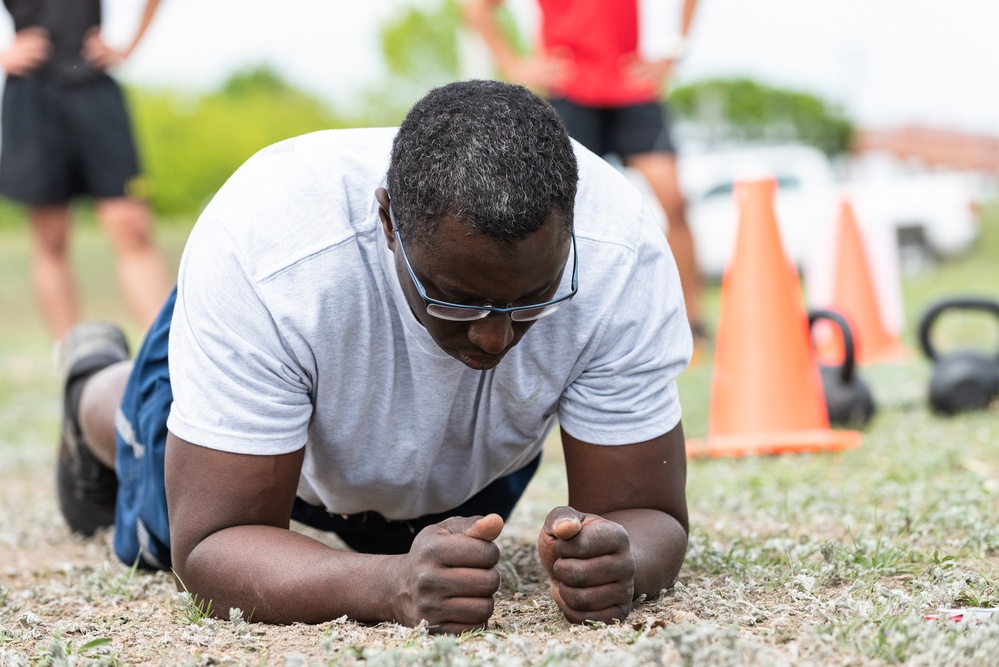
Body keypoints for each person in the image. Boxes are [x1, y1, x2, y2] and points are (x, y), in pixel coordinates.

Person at [56, 80, 691, 633]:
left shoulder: (621, 253)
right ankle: (90, 381)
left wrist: (623, 558)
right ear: (387, 222)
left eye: (533, 299)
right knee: (151, 506)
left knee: (427, 551)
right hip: (282, 425)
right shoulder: (270, 255)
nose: (495, 340)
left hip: (456, 460)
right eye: (457, 300)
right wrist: (389, 586)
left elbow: (650, 513)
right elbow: (212, 548)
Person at [463, 0, 706, 342]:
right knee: (556, 214)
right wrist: (514, 64)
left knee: (675, 200)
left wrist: (673, 52)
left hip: (630, 86)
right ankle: (550, 325)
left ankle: (690, 327)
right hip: (570, 91)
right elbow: (477, 9)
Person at [0, 0, 170, 339]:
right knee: (51, 236)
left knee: (131, 224)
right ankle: (74, 365)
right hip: (32, 91)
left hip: (93, 86)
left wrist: (128, 47)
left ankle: (166, 359)